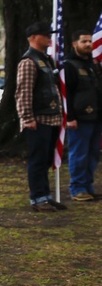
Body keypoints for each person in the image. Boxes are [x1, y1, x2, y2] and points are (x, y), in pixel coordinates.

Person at [16, 21, 66, 212]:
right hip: (38, 119)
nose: (49, 37)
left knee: (45, 160)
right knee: (37, 160)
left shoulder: (46, 60)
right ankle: (37, 198)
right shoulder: (29, 62)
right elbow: (23, 92)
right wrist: (27, 117)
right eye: (45, 34)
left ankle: (45, 195)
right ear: (33, 37)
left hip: (51, 118)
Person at [63, 29, 102, 201]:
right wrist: (70, 117)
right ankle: (77, 188)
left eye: (89, 41)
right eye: (83, 42)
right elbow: (67, 94)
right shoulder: (70, 65)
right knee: (79, 153)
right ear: (74, 44)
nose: (88, 45)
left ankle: (88, 186)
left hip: (96, 117)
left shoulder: (93, 65)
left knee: (93, 153)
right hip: (79, 119)